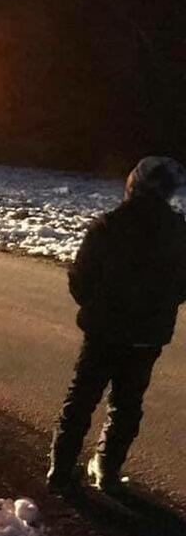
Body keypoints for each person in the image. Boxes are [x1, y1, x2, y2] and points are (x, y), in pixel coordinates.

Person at [47, 157, 186, 495]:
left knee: (81, 399)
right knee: (127, 403)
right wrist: (161, 308)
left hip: (104, 330)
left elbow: (80, 278)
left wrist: (95, 306)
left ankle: (61, 470)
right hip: (147, 337)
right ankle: (107, 468)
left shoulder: (109, 226)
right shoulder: (180, 233)